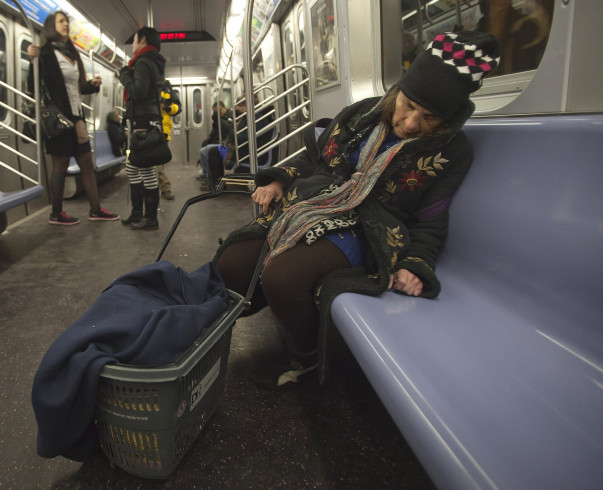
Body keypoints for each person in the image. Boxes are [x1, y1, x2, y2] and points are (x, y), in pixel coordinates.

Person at [214, 31, 500, 388]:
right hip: (311, 206)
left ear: (448, 121)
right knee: (233, 262)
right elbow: (314, 159)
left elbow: (431, 218)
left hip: (368, 228)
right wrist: (278, 181)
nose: (411, 124)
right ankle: (287, 313)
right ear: (397, 91)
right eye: (408, 105)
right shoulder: (362, 113)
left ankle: (308, 351)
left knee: (283, 278)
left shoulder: (452, 152)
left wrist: (416, 265)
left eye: (429, 118)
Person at [27, 11, 119, 225]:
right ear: (51, 26)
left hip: (76, 116)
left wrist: (91, 86)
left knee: (87, 165)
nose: (65, 25)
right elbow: (33, 86)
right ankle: (56, 213)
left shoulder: (72, 52)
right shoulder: (46, 53)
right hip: (59, 119)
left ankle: (95, 210)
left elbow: (76, 88)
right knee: (59, 166)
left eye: (67, 21)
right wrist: (32, 61)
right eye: (61, 21)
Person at [118, 26, 167, 230]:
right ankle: (138, 213)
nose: (132, 44)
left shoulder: (144, 61)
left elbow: (138, 92)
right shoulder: (151, 61)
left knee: (145, 169)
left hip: (144, 124)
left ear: (143, 40)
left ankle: (151, 219)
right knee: (133, 167)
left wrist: (125, 75)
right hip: (143, 121)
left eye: (134, 40)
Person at [200, 95, 275, 191]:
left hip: (247, 152)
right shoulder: (252, 117)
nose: (238, 108)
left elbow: (240, 138)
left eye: (241, 106)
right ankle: (216, 184)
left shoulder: (257, 119)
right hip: (243, 148)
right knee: (213, 150)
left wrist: (231, 128)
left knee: (213, 152)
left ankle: (216, 185)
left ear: (250, 105)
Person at [158, 80, 181, 201]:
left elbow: (177, 108)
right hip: (148, 128)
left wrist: (167, 107)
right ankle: (163, 188)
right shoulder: (146, 86)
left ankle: (165, 188)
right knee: (156, 164)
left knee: (159, 164)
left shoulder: (167, 89)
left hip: (163, 131)